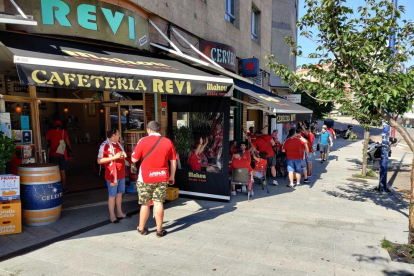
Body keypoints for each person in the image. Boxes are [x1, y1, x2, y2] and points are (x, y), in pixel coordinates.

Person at [131, 121, 177, 238]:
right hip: (162, 176)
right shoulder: (168, 142)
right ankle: (159, 230)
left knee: (145, 204)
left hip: (145, 178)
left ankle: (141, 229)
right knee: (159, 202)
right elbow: (173, 160)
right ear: (159, 130)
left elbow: (134, 159)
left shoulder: (143, 141)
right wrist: (172, 175)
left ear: (148, 129)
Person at [97, 128, 128, 224]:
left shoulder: (118, 143)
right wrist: (114, 157)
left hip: (121, 173)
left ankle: (119, 212)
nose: (119, 135)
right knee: (112, 196)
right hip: (112, 175)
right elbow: (99, 161)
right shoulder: (104, 145)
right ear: (113, 135)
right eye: (118, 134)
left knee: (119, 194)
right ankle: (112, 215)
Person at [46, 120, 72, 193]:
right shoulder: (64, 131)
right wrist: (70, 149)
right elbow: (67, 141)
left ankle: (55, 188)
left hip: (53, 154)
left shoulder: (50, 132)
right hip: (62, 154)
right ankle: (63, 188)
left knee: (54, 172)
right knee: (62, 171)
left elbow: (46, 140)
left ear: (54, 125)